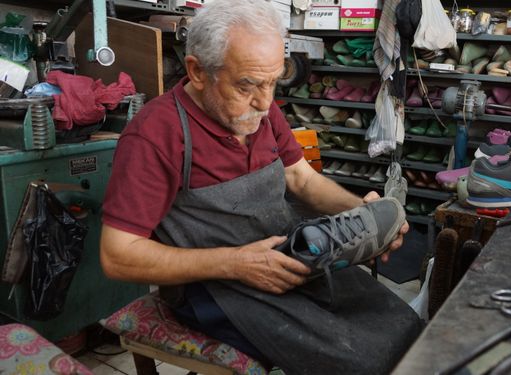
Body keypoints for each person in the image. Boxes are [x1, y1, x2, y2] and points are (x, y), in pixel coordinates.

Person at [100, 0, 424, 373]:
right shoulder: (155, 136)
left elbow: (300, 178)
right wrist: (237, 263)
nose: (265, 101)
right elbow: (117, 255)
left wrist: (361, 212)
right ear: (198, 71)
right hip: (214, 286)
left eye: (273, 81)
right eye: (248, 85)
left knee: (403, 326)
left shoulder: (261, 109)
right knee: (360, 362)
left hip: (285, 252)